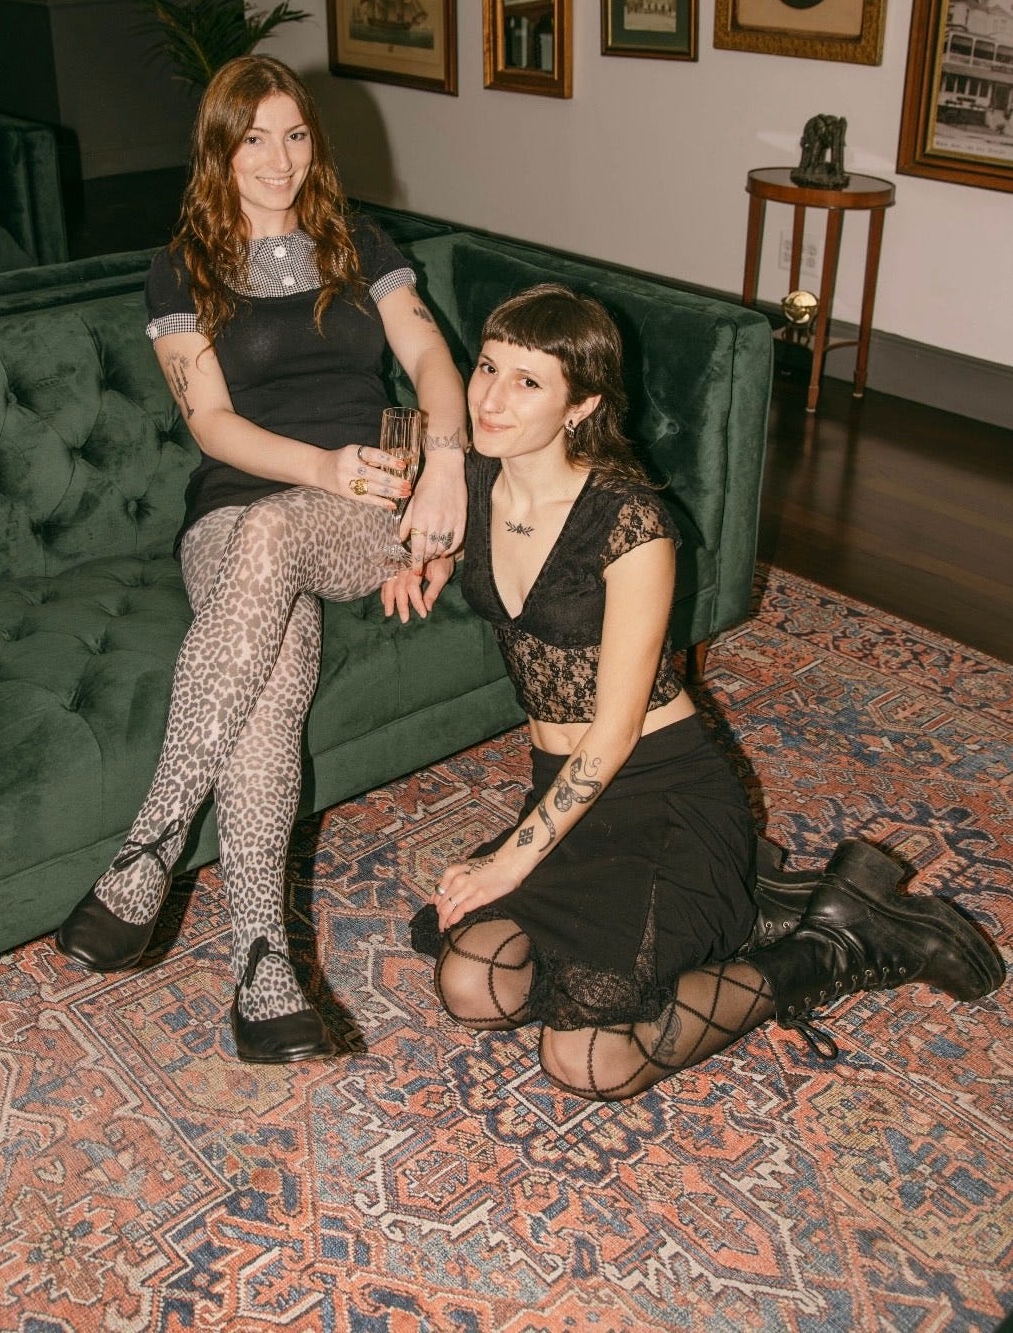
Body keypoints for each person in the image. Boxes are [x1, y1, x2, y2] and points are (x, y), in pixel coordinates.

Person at [413, 283, 1004, 1101]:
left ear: (582, 405)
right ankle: (744, 900)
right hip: (562, 789)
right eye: (487, 367)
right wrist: (432, 556)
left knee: (587, 1060)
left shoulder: (631, 526)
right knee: (474, 987)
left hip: (660, 792)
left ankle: (832, 948)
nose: (491, 399)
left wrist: (510, 860)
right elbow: (459, 502)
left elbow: (615, 733)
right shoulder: (473, 480)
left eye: (528, 382)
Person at [57, 55, 466, 1064]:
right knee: (273, 684)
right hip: (232, 515)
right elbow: (211, 425)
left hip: (359, 511)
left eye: (295, 135)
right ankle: (263, 971)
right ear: (219, 150)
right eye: (254, 139)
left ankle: (150, 848)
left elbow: (428, 358)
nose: (279, 160)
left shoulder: (358, 244)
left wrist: (446, 463)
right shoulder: (180, 269)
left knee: (280, 533)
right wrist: (316, 464)